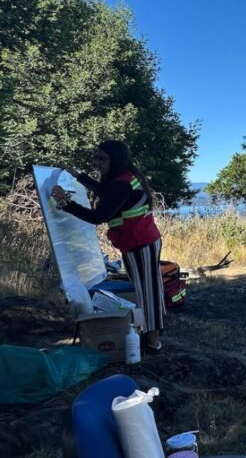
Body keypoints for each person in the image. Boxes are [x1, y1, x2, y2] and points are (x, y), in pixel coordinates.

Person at [51, 140, 165, 352]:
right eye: (95, 157)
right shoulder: (125, 176)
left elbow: (98, 216)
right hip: (139, 241)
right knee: (146, 288)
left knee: (148, 292)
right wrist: (79, 177)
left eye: (102, 158)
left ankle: (153, 341)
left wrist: (66, 204)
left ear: (116, 159)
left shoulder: (120, 184)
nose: (97, 162)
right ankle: (150, 333)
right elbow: (106, 192)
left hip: (140, 243)